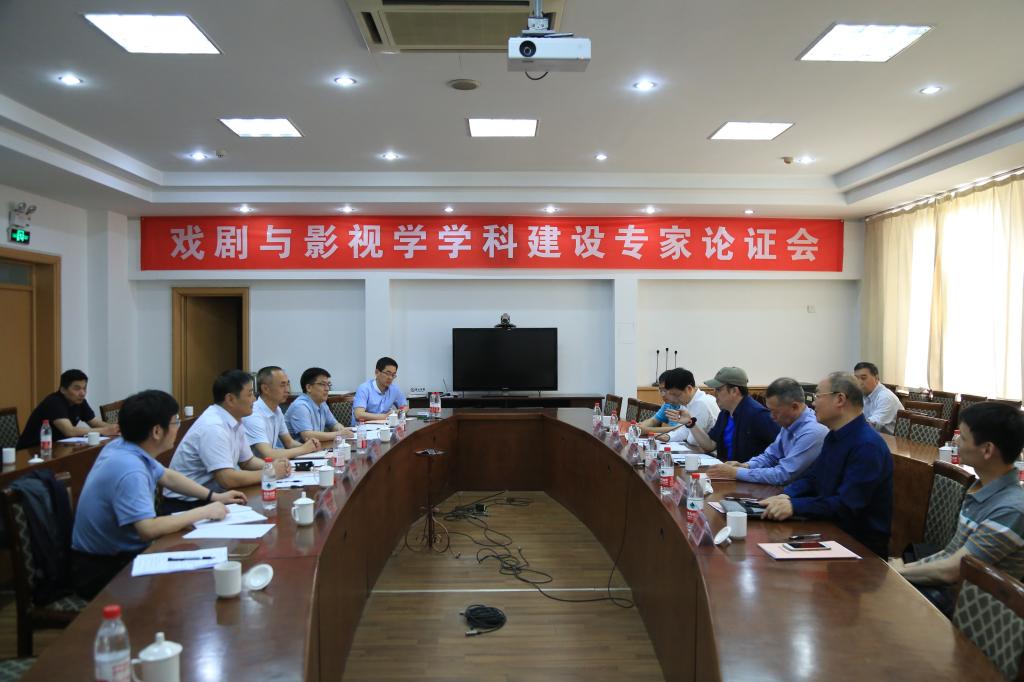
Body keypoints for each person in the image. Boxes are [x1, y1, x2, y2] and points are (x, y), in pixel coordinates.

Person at [70, 389, 247, 599]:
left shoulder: (123, 446)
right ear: (156, 431)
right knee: (192, 590)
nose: (178, 428)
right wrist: (204, 512)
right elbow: (148, 529)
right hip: (104, 568)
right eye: (175, 422)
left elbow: (167, 476)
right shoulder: (130, 469)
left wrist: (214, 497)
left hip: (117, 556)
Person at [890, 402, 1024, 614]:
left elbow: (954, 569)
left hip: (976, 612)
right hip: (954, 593)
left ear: (987, 449)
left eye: (963, 437)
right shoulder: (980, 487)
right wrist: (902, 568)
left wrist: (900, 571)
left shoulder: (1011, 509)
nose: (956, 442)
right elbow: (950, 555)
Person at [759, 372, 893, 558]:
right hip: (829, 529)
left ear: (840, 399)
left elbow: (846, 505)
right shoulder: (834, 436)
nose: (813, 403)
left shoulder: (867, 446)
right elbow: (814, 477)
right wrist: (786, 495)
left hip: (859, 547)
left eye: (818, 396)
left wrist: (795, 506)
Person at [164, 370, 291, 514]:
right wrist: (271, 472)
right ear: (230, 399)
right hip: (186, 505)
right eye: (250, 394)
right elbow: (227, 479)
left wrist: (272, 466)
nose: (254, 400)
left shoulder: (235, 419)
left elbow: (247, 461)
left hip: (214, 497)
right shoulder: (213, 427)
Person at [706, 377, 828, 485]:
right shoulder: (788, 423)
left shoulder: (813, 431)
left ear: (794, 407)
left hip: (800, 495)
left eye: (775, 412)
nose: (772, 417)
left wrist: (736, 473)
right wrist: (746, 465)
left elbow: (784, 474)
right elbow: (770, 456)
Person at [679, 367, 779, 463]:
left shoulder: (758, 415)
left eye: (718, 389)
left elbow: (780, 451)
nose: (714, 393)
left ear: (734, 391)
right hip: (726, 470)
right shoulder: (725, 414)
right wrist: (691, 423)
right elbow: (710, 445)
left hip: (749, 473)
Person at [15, 369, 119, 449]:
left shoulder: (80, 401)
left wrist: (117, 428)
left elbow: (95, 422)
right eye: (77, 388)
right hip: (32, 450)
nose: (82, 393)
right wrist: (105, 430)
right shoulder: (54, 402)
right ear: (63, 390)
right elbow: (69, 431)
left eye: (84, 388)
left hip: (56, 447)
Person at [244, 366, 321, 459]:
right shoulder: (253, 414)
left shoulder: (277, 410)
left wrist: (311, 446)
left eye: (288, 384)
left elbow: (289, 442)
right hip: (257, 466)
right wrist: (304, 449)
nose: (287, 390)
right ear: (265, 389)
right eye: (282, 385)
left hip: (270, 464)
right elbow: (268, 454)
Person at [639, 368, 719, 448]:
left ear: (689, 389)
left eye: (676, 395)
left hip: (711, 452)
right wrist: (669, 437)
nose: (673, 399)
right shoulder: (689, 401)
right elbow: (684, 429)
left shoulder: (701, 404)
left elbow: (693, 440)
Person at [284, 367, 352, 442]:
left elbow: (333, 424)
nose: (327, 389)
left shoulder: (322, 403)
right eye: (323, 384)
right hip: (296, 448)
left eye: (328, 384)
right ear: (309, 387)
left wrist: (342, 429)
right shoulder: (300, 406)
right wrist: (339, 434)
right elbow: (307, 436)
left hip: (314, 447)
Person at [353, 356, 409, 424]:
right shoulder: (364, 388)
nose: (390, 378)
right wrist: (385, 416)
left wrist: (398, 412)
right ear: (377, 372)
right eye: (387, 373)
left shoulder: (394, 389)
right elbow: (358, 414)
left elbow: (405, 407)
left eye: (393, 375)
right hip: (363, 428)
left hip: (384, 426)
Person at [853, 361, 902, 435]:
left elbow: (872, 425)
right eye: (856, 379)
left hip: (892, 440)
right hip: (874, 436)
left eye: (863, 378)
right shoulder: (863, 395)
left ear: (876, 378)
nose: (859, 382)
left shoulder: (886, 397)